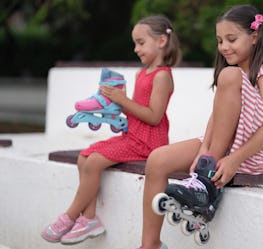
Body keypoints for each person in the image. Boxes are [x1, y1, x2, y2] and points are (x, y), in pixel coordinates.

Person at [138, 5, 263, 249]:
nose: (224, 47)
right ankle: (150, 245)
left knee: (228, 75)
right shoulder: (233, 75)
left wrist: (233, 160)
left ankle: (204, 182)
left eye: (231, 39)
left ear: (254, 36)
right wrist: (204, 150)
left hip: (256, 151)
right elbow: (216, 117)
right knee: (157, 160)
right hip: (225, 146)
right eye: (220, 41)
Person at [41, 15, 181, 245]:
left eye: (141, 42)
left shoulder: (163, 75)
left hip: (149, 142)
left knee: (95, 161)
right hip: (132, 136)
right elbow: (136, 111)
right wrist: (113, 104)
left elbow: (154, 117)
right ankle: (89, 219)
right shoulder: (141, 73)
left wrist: (122, 100)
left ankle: (70, 216)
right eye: (135, 43)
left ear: (161, 42)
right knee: (84, 157)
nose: (136, 49)